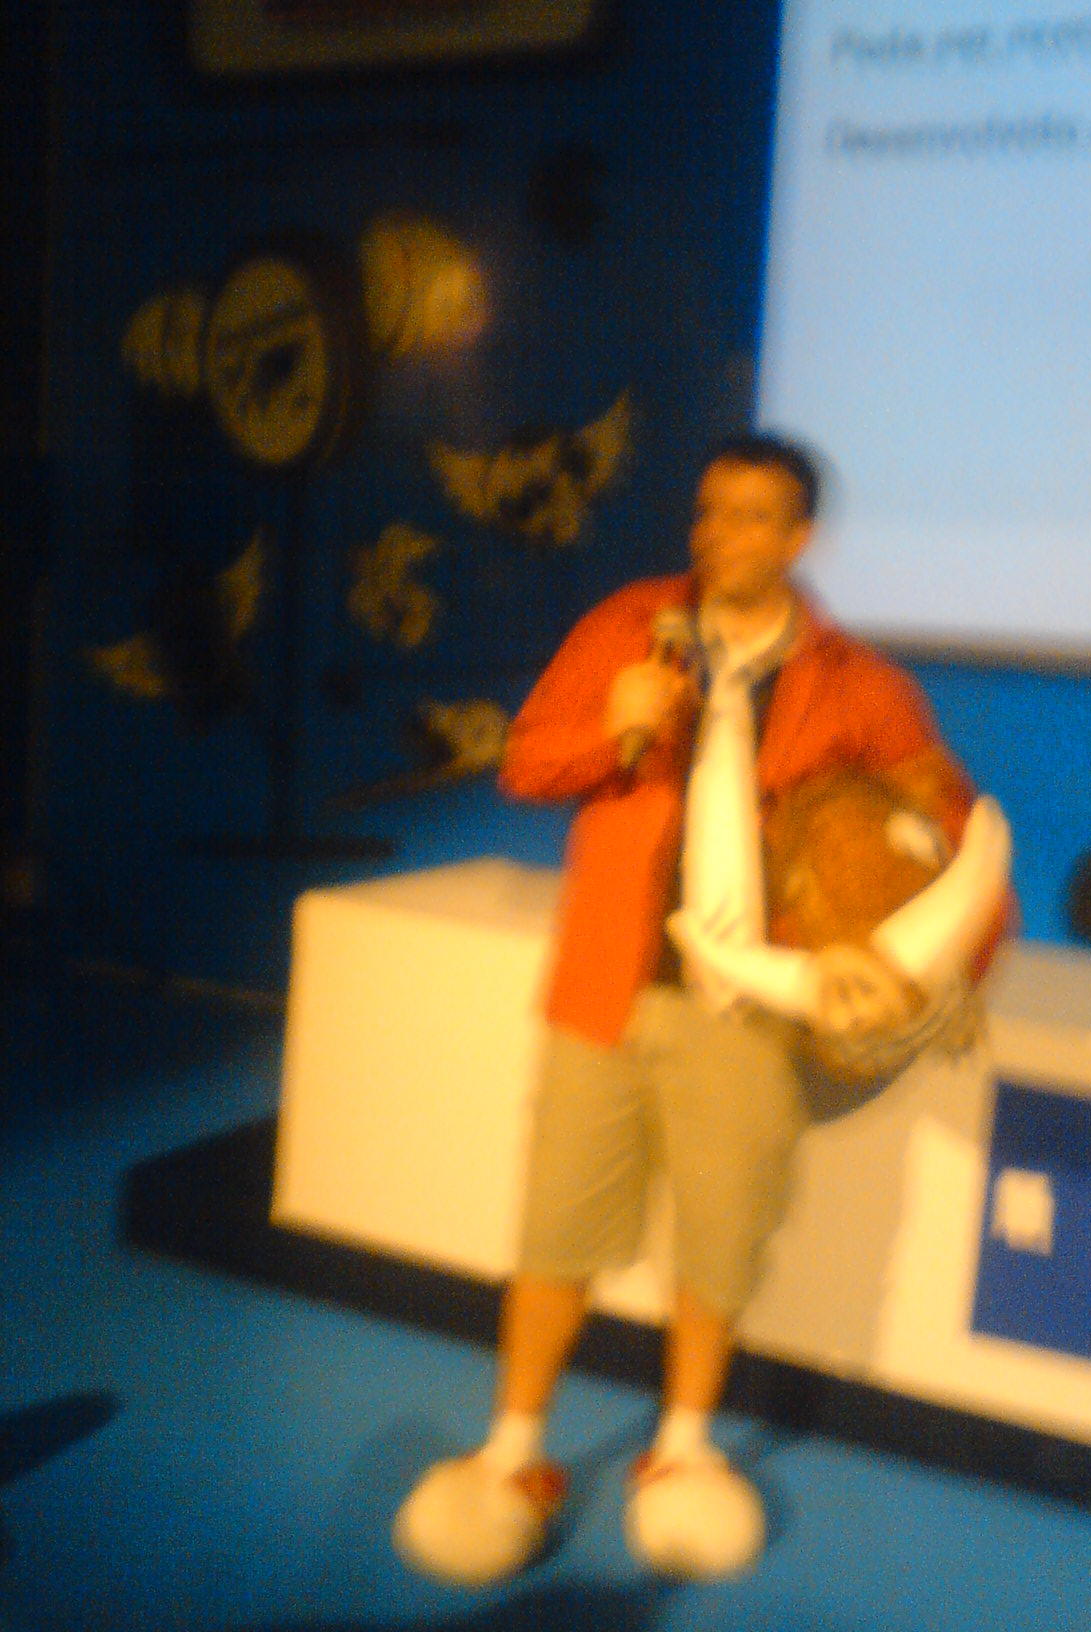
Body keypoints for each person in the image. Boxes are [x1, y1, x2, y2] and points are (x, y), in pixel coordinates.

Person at [394, 434, 980, 1585]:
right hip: (607, 990)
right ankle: (513, 1451)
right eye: (709, 512)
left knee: (718, 1239)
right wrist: (607, 722)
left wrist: (917, 967)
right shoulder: (629, 628)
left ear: (799, 537)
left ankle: (682, 1447)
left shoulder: (860, 685)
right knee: (554, 1232)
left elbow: (949, 839)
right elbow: (526, 763)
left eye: (752, 516)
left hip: (748, 1011)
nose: (720, 536)